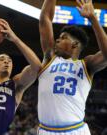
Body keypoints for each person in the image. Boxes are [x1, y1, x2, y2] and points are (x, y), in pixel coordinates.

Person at [38, 0, 107, 134]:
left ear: (74, 44)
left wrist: (93, 18)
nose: (57, 40)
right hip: (45, 130)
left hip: (75, 130)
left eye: (63, 37)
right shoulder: (50, 57)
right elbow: (44, 19)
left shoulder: (87, 64)